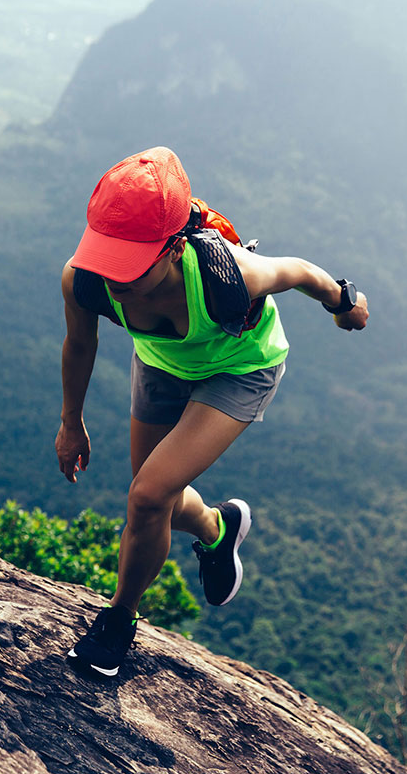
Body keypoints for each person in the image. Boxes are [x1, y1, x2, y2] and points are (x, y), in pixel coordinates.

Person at [56, 147, 368, 677]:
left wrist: (344, 301)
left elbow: (296, 271)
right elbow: (79, 345)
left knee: (148, 496)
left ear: (175, 248)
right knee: (161, 502)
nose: (117, 278)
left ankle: (117, 625)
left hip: (240, 368)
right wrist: (70, 421)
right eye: (109, 257)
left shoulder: (230, 276)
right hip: (161, 364)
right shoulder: (85, 280)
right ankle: (218, 529)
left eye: (131, 265)